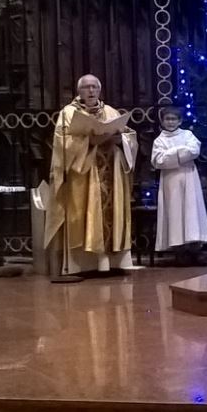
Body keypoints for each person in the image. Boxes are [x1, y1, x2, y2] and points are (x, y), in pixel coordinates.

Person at [45, 74, 138, 276]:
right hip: (84, 173)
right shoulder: (68, 113)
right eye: (86, 87)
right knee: (87, 211)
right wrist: (88, 142)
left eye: (94, 87)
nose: (91, 91)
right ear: (79, 91)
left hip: (110, 168)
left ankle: (113, 261)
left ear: (99, 89)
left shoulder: (110, 111)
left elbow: (129, 135)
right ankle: (84, 263)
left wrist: (120, 139)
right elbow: (62, 143)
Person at [151, 106, 207, 263]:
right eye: (167, 119)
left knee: (191, 211)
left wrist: (172, 153)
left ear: (180, 121)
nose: (170, 122)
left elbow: (194, 150)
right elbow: (158, 160)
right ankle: (179, 250)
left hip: (189, 177)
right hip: (171, 181)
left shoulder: (187, 135)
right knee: (175, 213)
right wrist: (179, 152)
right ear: (162, 121)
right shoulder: (159, 140)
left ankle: (195, 250)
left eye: (173, 119)